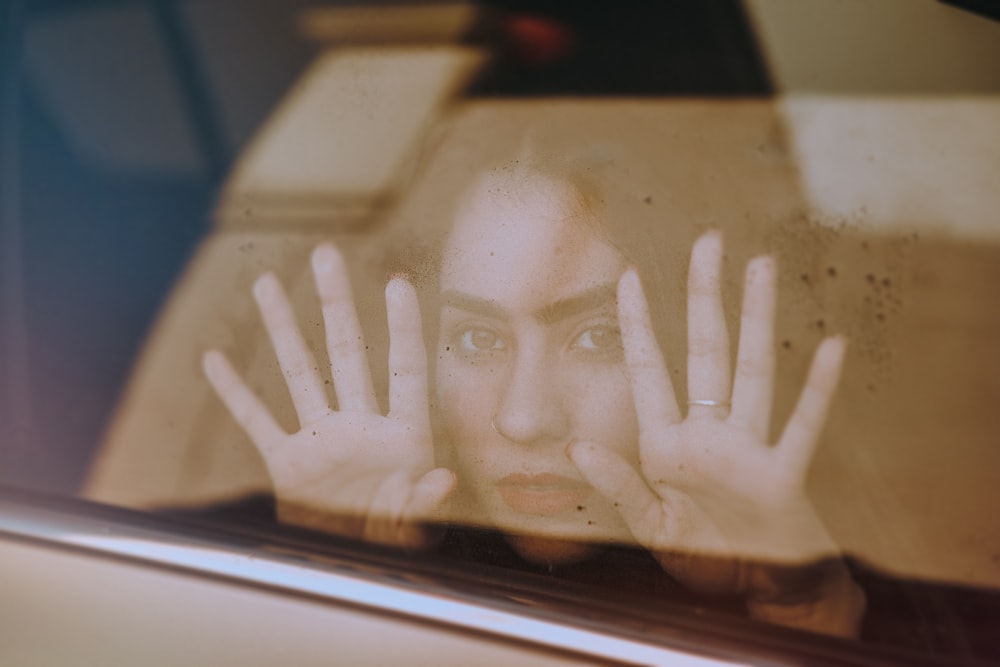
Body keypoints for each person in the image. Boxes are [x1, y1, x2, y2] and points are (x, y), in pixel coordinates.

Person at [202, 159, 865, 637]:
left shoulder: (847, 589)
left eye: (599, 336)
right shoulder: (238, 541)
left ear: (688, 344)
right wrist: (324, 581)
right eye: (476, 338)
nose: (525, 417)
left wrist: (799, 617)